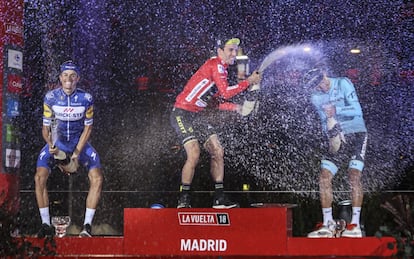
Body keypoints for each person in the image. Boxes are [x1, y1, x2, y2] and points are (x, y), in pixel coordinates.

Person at [170, 37, 262, 208]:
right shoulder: (216, 65)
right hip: (181, 114)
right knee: (194, 153)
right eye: (230, 50)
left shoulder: (223, 70)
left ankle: (219, 198)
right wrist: (248, 82)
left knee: (218, 151)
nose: (234, 54)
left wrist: (236, 108)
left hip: (197, 115)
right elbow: (226, 93)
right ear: (220, 52)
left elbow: (216, 102)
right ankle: (184, 199)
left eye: (236, 50)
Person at [34, 61, 103, 237]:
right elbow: (45, 128)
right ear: (60, 78)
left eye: (72, 75)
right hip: (58, 143)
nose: (69, 79)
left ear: (77, 78)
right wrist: (50, 145)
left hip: (79, 144)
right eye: (65, 75)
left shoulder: (86, 99)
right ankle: (45, 224)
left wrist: (77, 153)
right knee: (39, 177)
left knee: (97, 178)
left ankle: (87, 225)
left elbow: (88, 128)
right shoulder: (50, 97)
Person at [303, 67, 368, 238]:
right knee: (324, 176)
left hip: (356, 133)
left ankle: (354, 225)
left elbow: (356, 110)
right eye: (315, 87)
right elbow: (325, 122)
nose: (319, 88)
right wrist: (333, 137)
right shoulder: (315, 96)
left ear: (324, 75)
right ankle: (328, 224)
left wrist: (336, 111)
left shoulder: (343, 83)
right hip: (337, 136)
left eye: (320, 83)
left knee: (353, 175)